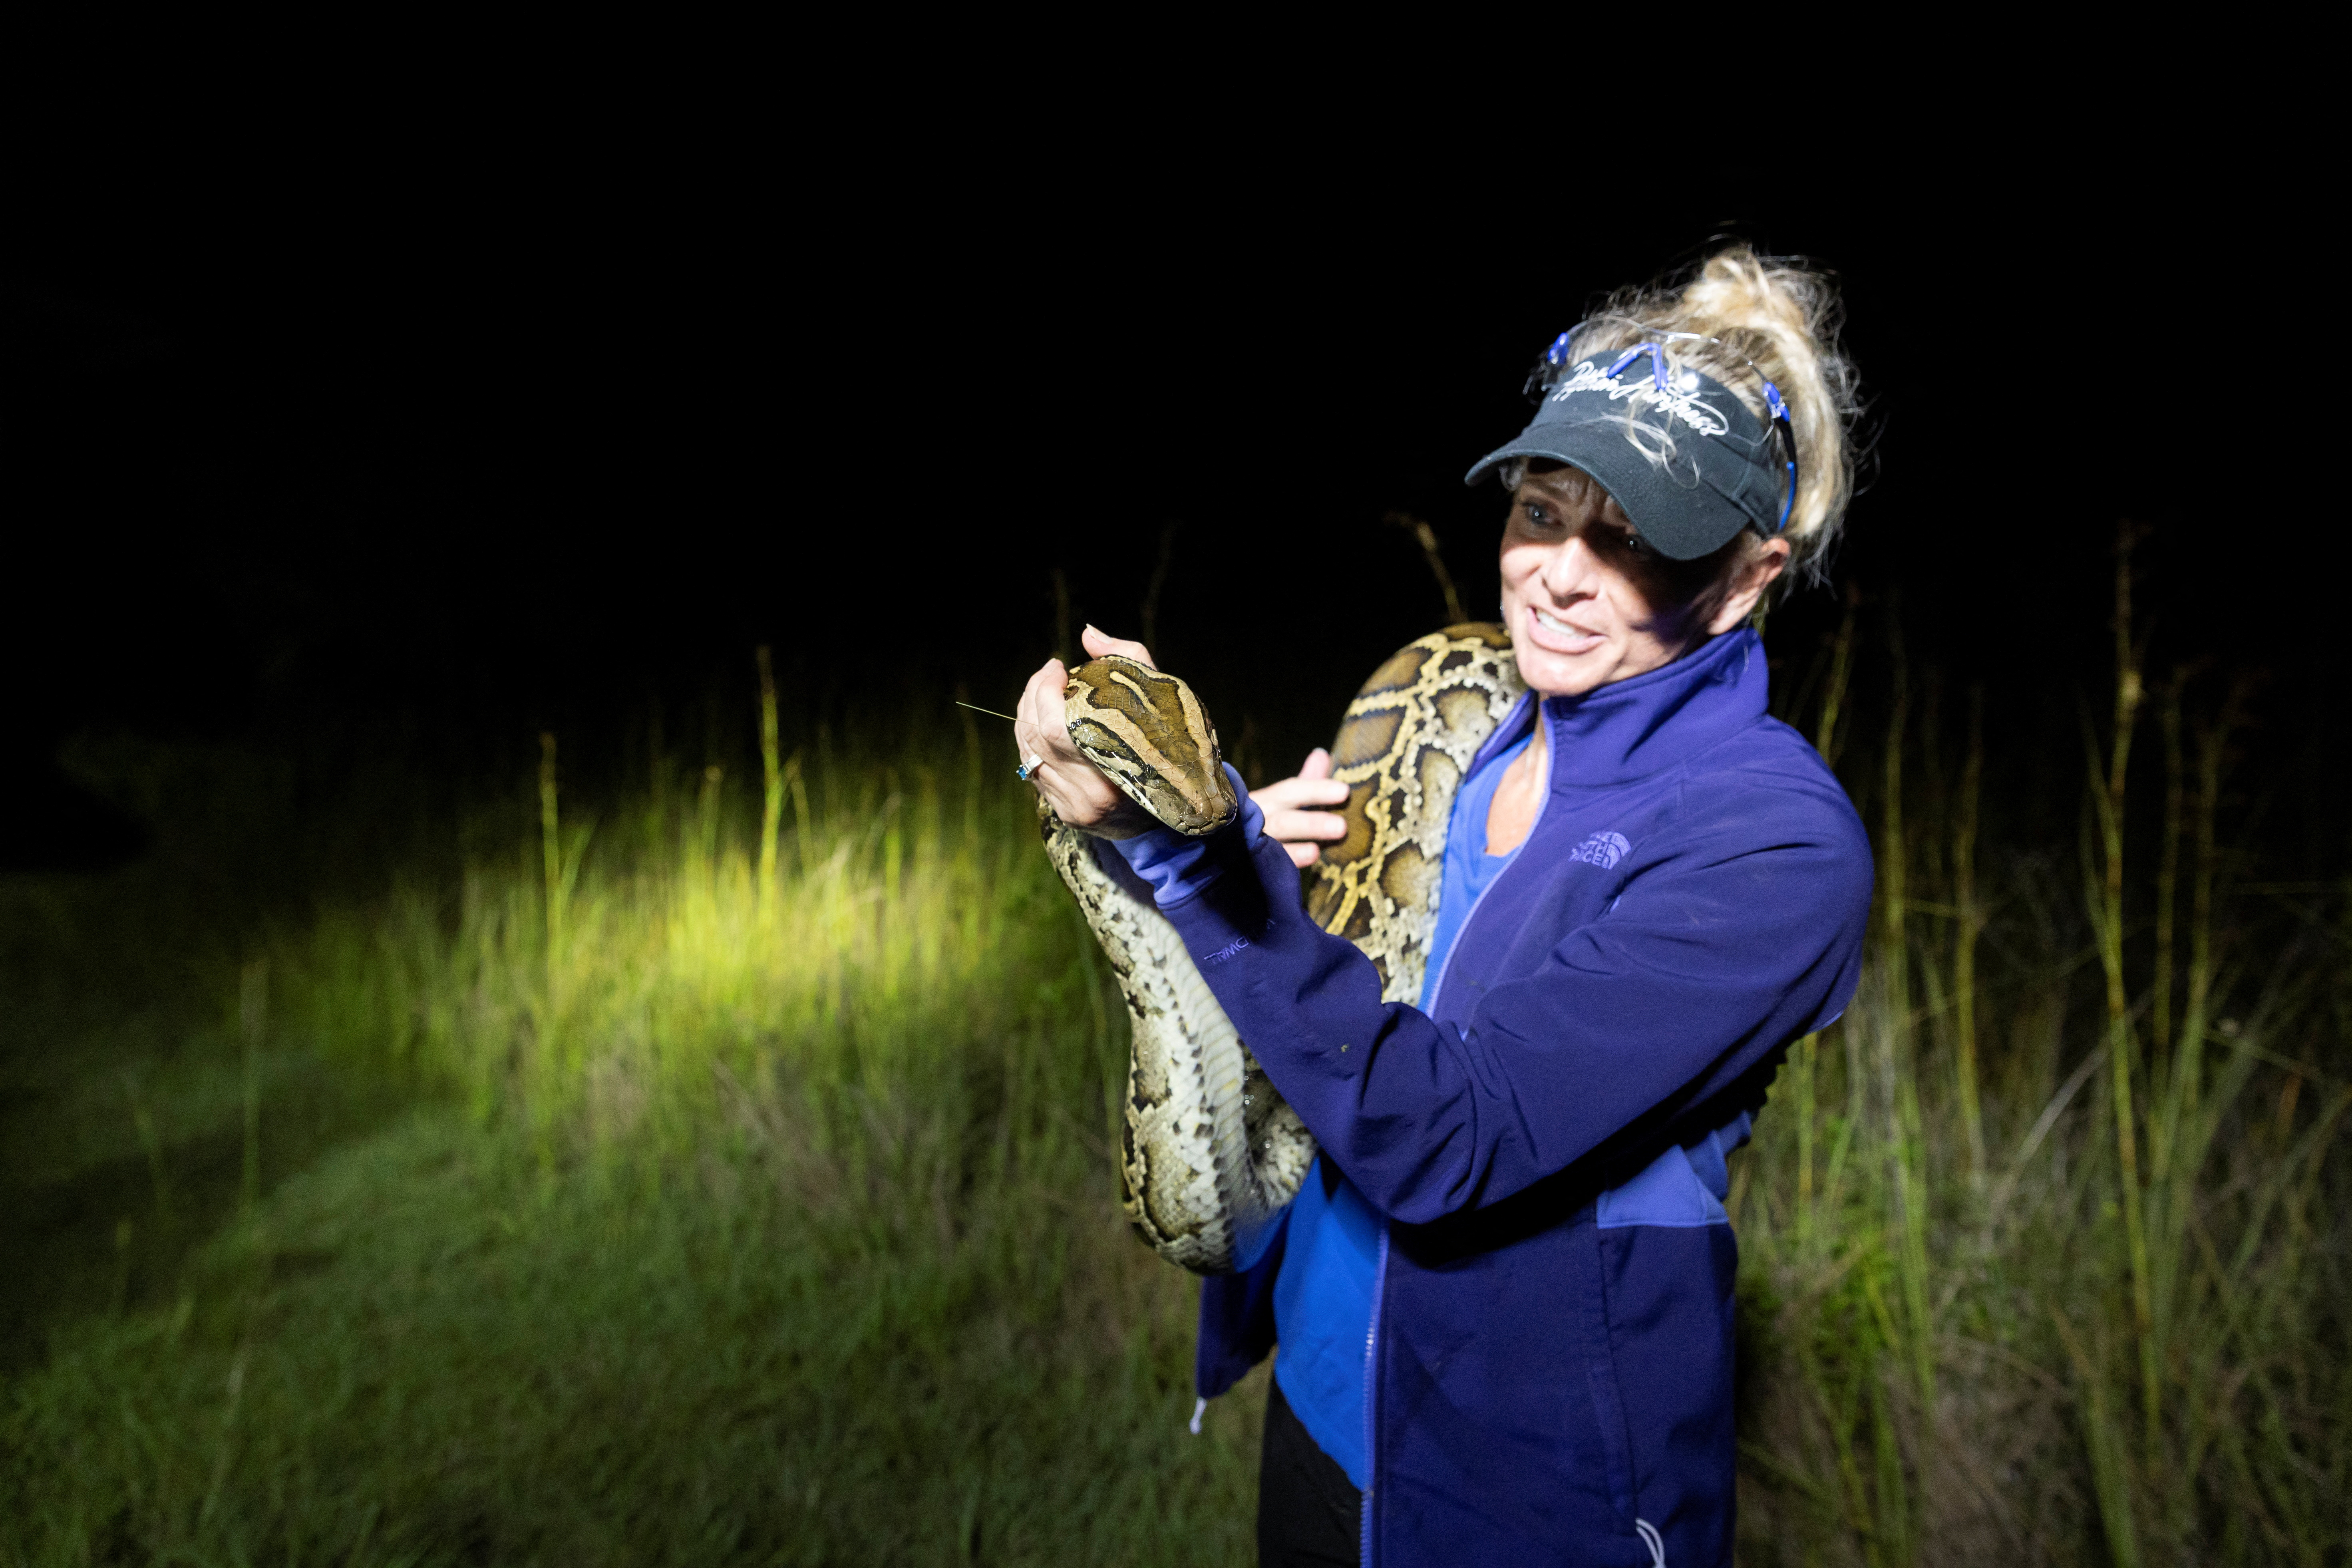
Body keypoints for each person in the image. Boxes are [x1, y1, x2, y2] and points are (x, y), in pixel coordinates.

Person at [1014, 247, 1872, 1566]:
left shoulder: (1773, 845)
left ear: (1751, 576)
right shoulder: (1466, 716)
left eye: (1635, 537)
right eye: (1542, 511)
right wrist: (1228, 844)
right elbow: (1336, 1023)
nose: (1560, 575)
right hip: (1321, 1410)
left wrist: (1199, 866)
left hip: (1530, 1501)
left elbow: (1451, 1138)